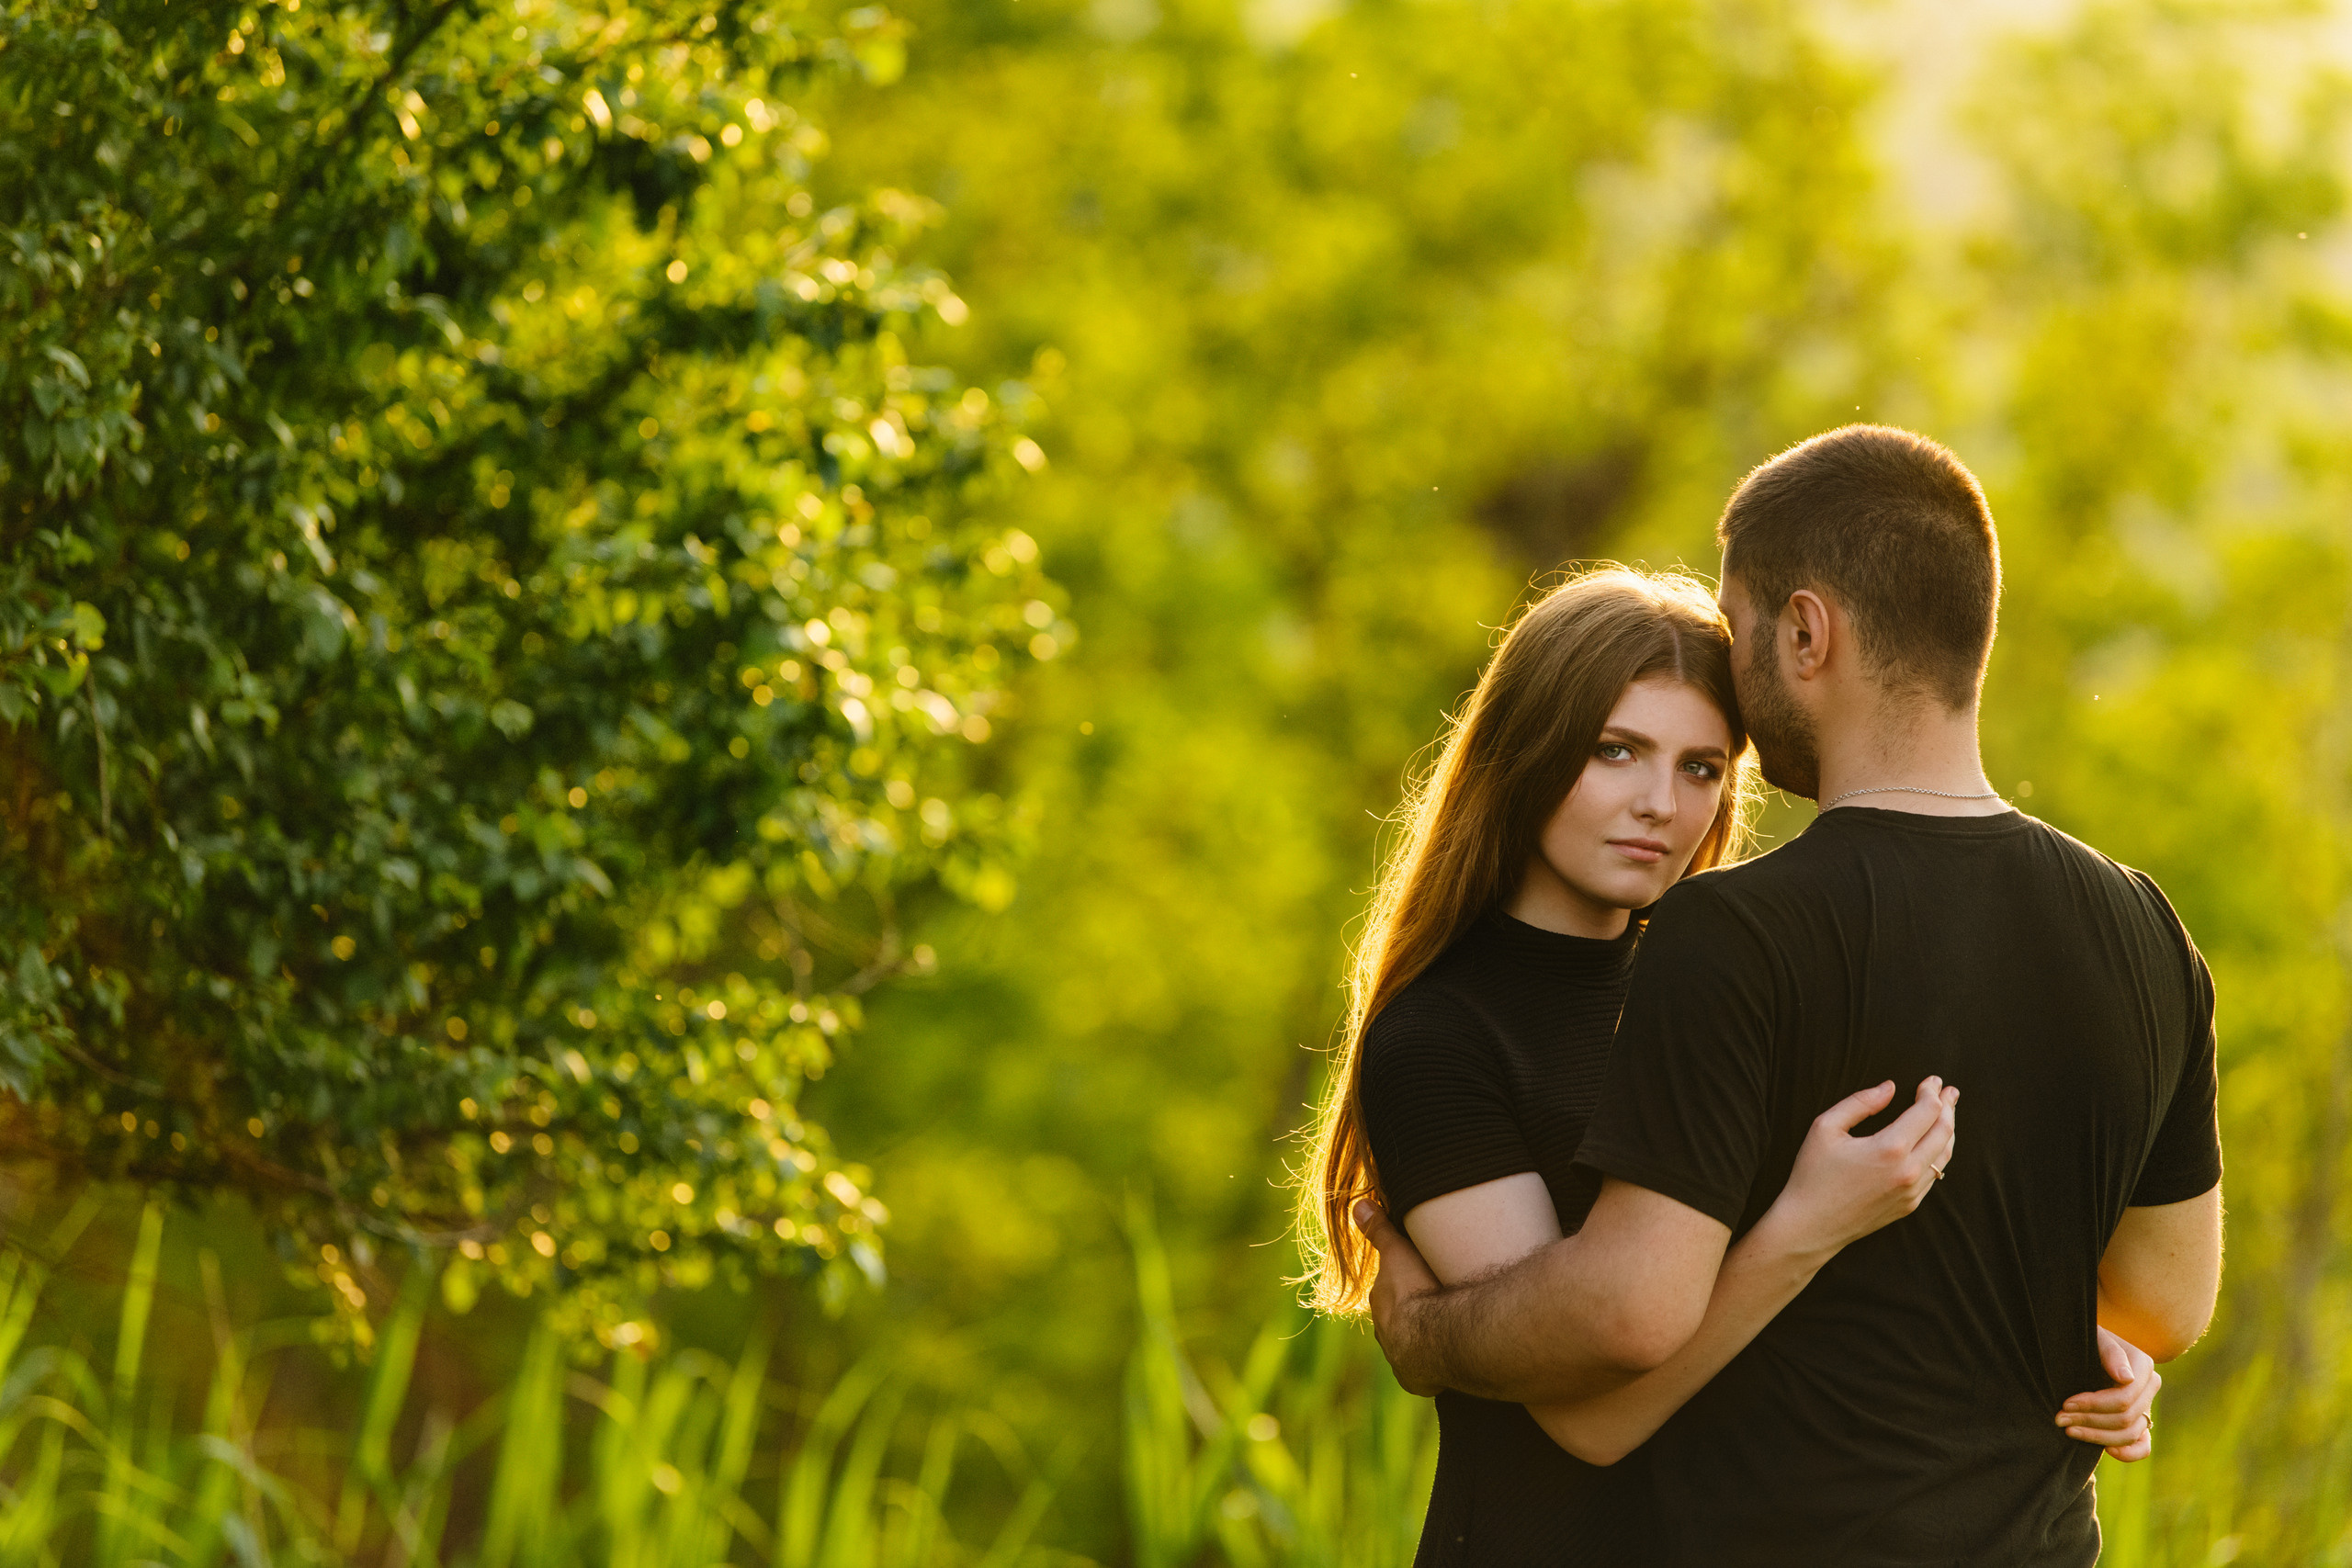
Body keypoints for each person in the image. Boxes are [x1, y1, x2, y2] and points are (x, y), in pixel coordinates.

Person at [1351, 427, 2222, 1567]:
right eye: (1613, 751)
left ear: (1806, 631)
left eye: (1702, 766)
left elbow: (1642, 1324)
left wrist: (1429, 1336)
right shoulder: (2143, 925)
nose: (1661, 802)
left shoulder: (1729, 947)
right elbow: (2166, 1294)